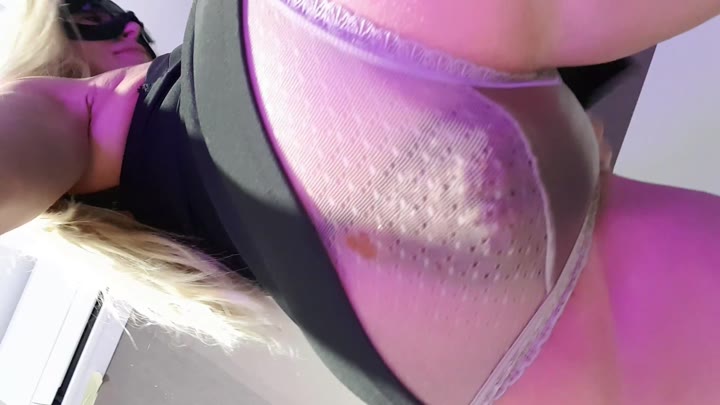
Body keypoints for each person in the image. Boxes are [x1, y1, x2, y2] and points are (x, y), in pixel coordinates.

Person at [1, 1, 719, 405]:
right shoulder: (51, 108)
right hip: (314, 62)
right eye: (95, 14)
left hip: (408, 333)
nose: (132, 28)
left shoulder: (174, 255)